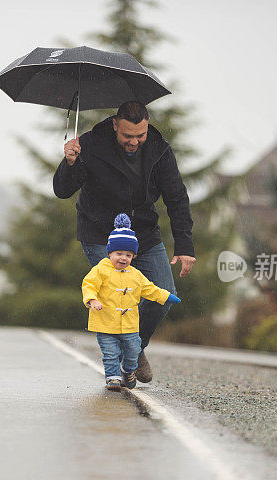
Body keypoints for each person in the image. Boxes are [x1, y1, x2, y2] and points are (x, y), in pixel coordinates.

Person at [54, 100, 196, 383]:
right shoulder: (91, 145)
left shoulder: (159, 149)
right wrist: (69, 163)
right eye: (127, 135)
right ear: (115, 125)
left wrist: (184, 246)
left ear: (147, 126)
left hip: (143, 232)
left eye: (140, 135)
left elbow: (177, 198)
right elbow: (62, 190)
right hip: (99, 233)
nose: (134, 142)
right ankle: (129, 354)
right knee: (118, 291)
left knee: (163, 293)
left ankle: (133, 349)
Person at [82, 214, 181, 390]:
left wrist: (167, 296)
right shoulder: (100, 270)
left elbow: (150, 289)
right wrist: (92, 299)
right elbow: (88, 284)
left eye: (128, 255)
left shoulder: (135, 274)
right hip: (105, 322)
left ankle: (128, 371)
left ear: (133, 256)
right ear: (110, 252)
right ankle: (112, 378)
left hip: (130, 325)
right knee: (110, 352)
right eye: (119, 253)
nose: (123, 258)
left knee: (133, 351)